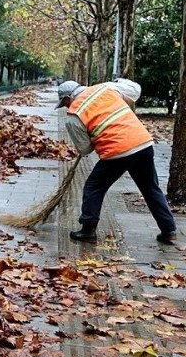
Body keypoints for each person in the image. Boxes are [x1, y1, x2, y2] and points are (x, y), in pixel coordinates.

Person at [56, 79, 177, 244]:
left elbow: (85, 149)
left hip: (117, 152)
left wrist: (93, 136)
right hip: (143, 143)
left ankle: (88, 230)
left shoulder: (73, 115)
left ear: (67, 98)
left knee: (94, 187)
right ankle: (168, 230)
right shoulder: (105, 88)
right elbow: (135, 90)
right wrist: (119, 82)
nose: (65, 107)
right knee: (150, 188)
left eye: (64, 103)